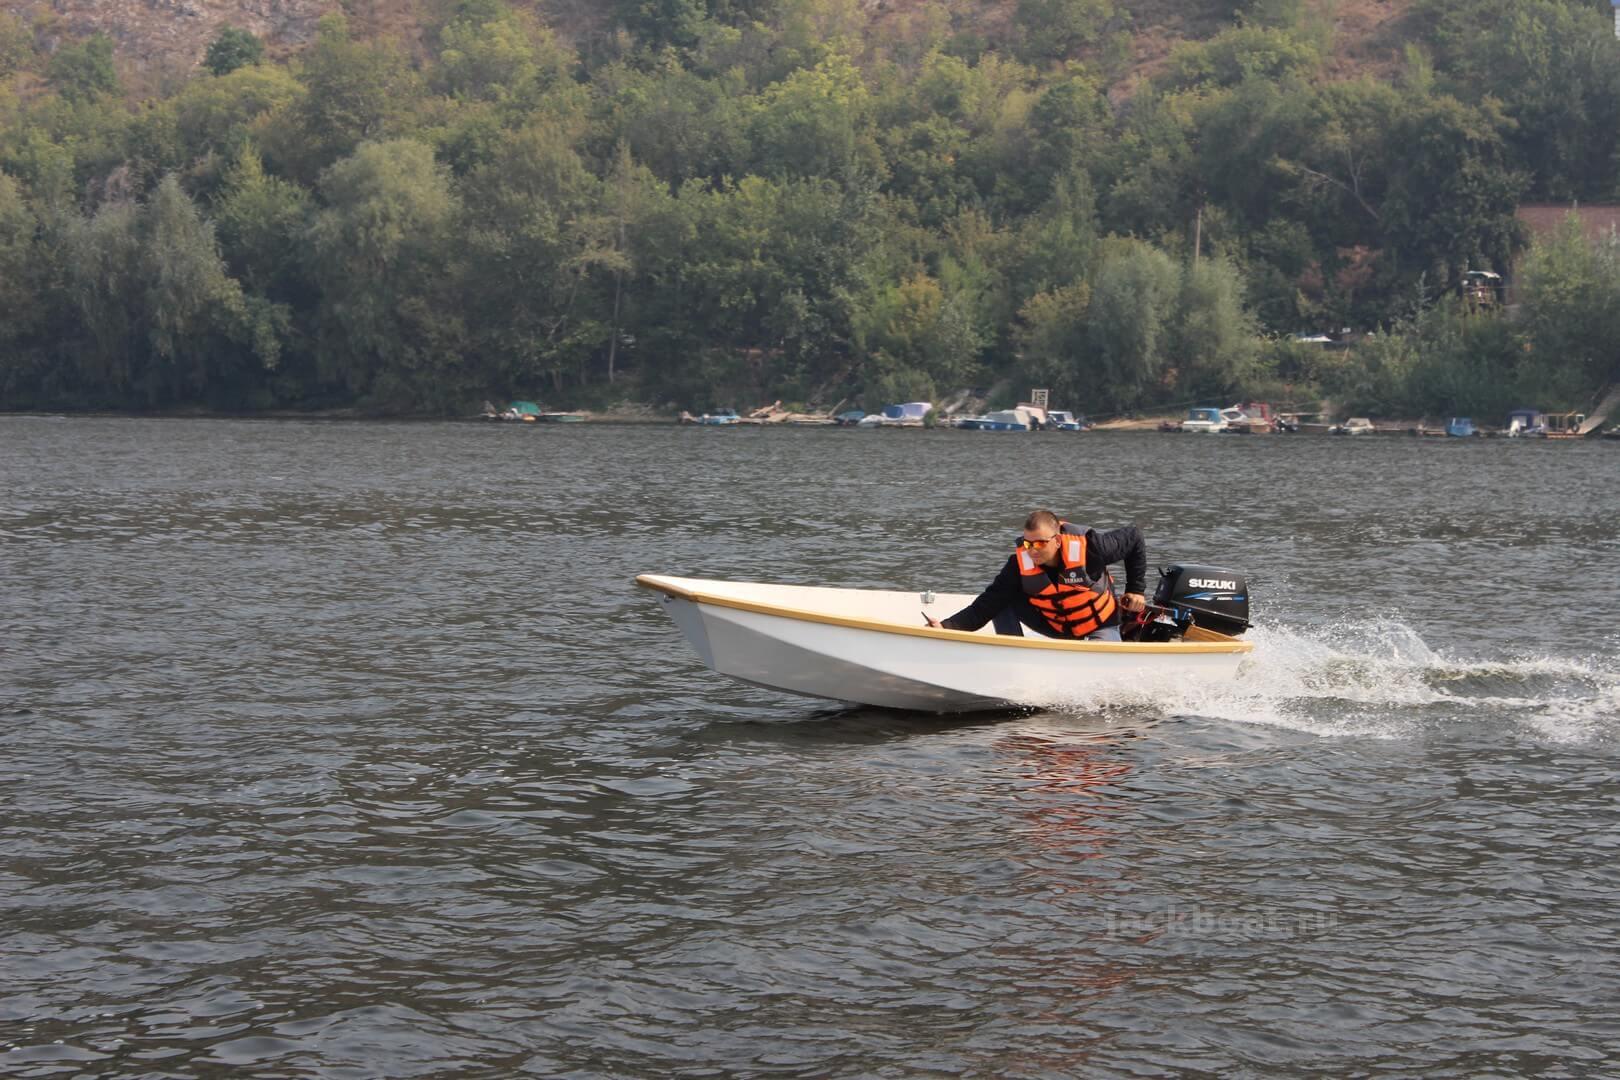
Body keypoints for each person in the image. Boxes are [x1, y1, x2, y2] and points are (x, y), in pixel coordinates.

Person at [924, 509, 1147, 642]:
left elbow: (1135, 536)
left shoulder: (1092, 547)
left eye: (1040, 543)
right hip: (1055, 626)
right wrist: (946, 627)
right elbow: (986, 605)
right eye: (1028, 543)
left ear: (1057, 541)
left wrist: (1136, 589)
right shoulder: (1018, 564)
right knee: (1002, 600)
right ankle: (1014, 657)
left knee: (1100, 661)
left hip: (1099, 624)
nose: (1032, 551)